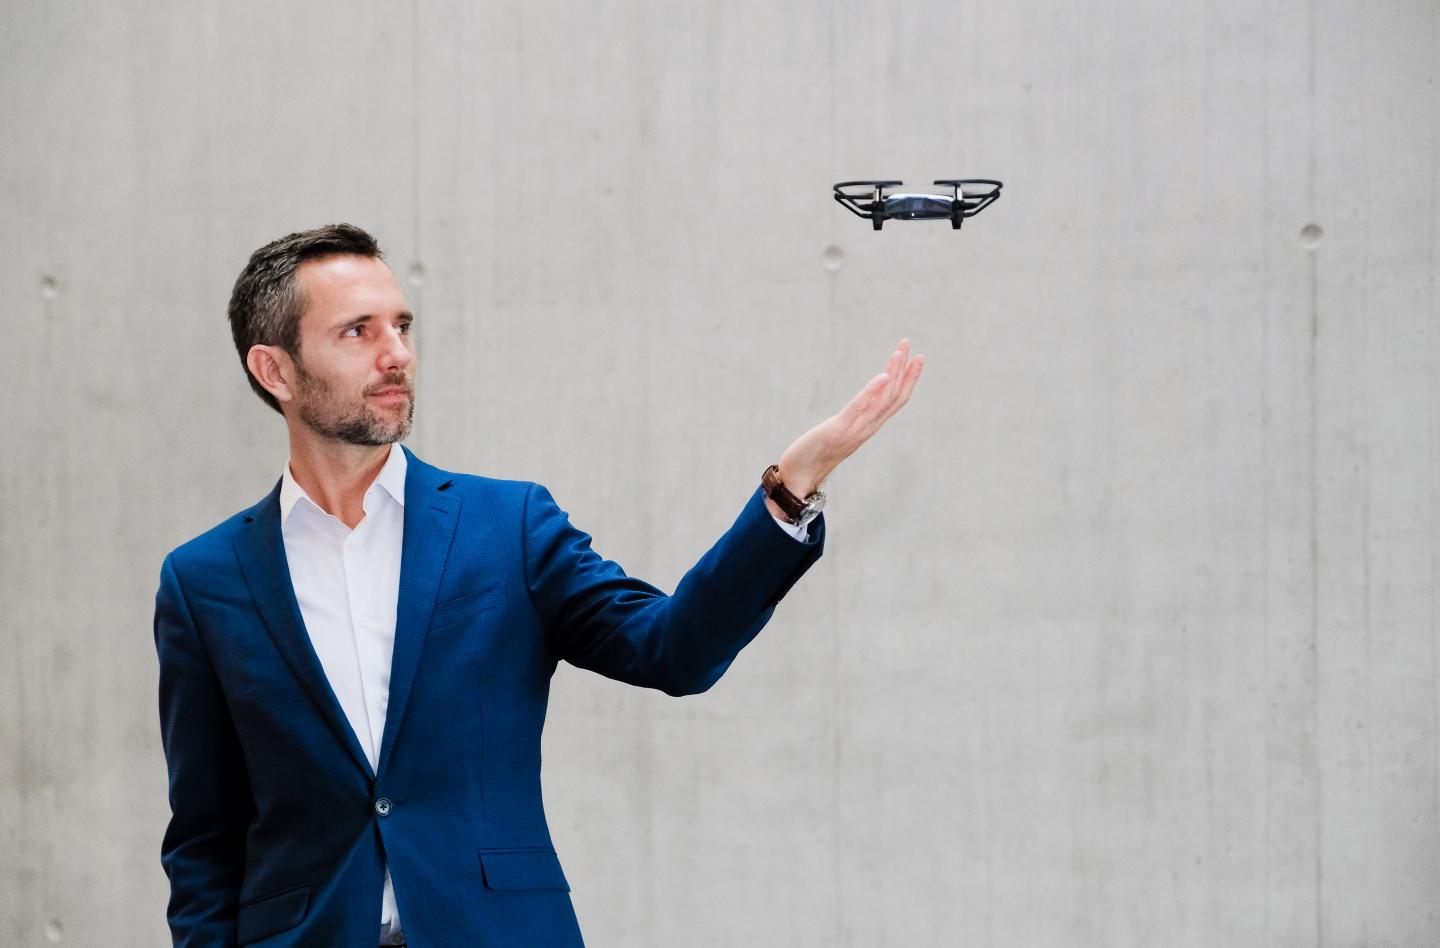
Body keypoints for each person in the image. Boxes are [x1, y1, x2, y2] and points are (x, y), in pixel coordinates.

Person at [155, 223, 923, 947]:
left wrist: (789, 490)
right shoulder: (205, 581)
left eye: (402, 326)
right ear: (275, 370)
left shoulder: (507, 527)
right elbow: (204, 838)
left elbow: (675, 650)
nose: (397, 355)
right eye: (358, 332)